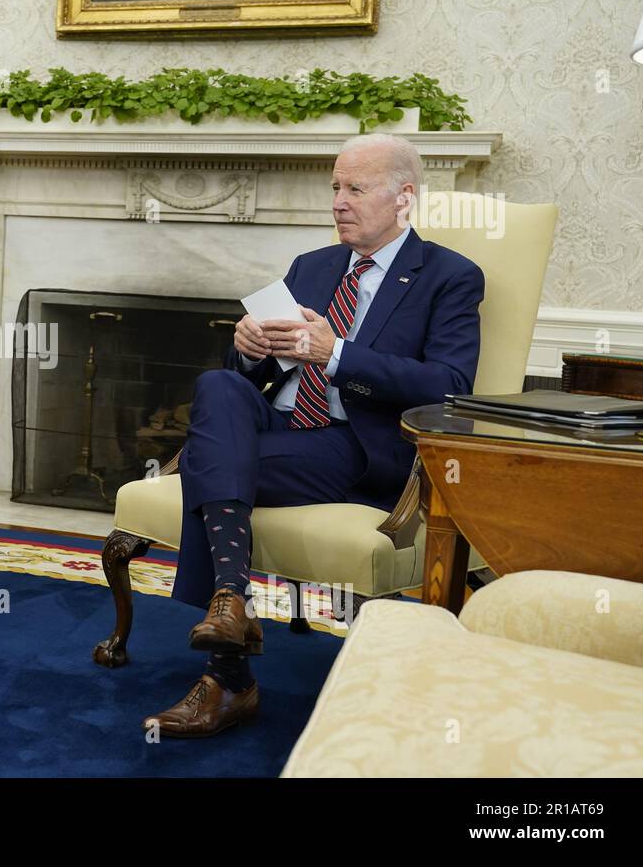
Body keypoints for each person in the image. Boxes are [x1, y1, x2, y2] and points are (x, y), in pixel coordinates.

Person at [143, 134, 485, 736]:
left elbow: (450, 385)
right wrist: (248, 350)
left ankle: (228, 676)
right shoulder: (313, 267)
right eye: (334, 187)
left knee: (206, 462)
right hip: (284, 427)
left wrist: (339, 354)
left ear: (404, 198)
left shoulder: (449, 276)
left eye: (356, 188)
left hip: (357, 445)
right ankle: (231, 604)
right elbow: (262, 367)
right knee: (218, 386)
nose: (339, 202)